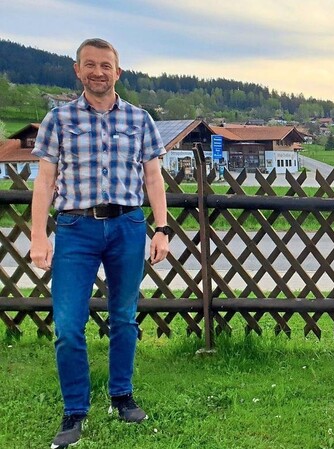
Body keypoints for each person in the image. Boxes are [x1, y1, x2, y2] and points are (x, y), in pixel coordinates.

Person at [30, 38, 172, 449]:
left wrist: (160, 228)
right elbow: (44, 182)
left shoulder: (140, 119)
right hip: (75, 229)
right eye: (89, 65)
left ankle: (121, 396)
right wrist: (39, 235)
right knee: (68, 326)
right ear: (78, 70)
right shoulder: (57, 119)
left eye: (105, 65)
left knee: (124, 317)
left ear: (117, 72)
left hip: (128, 226)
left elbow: (153, 178)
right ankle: (75, 410)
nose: (97, 72)